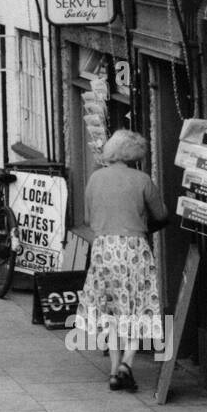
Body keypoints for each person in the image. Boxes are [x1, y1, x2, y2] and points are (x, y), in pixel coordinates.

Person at [75, 130, 171, 393]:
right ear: (135, 155)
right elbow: (162, 215)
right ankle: (128, 362)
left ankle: (114, 369)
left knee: (111, 308)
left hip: (103, 247)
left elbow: (88, 217)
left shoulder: (95, 179)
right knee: (136, 304)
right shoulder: (142, 180)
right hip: (133, 248)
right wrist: (141, 226)